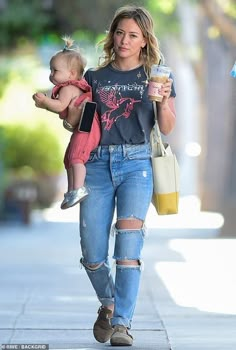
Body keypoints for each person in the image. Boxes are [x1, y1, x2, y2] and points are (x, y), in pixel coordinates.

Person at [67, 5, 176, 347]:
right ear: (112, 36)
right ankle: (111, 303)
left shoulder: (154, 76)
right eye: (120, 33)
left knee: (128, 248)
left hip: (137, 164)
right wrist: (68, 112)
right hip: (97, 165)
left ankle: (122, 325)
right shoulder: (95, 79)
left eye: (133, 35)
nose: (125, 40)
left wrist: (161, 102)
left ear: (144, 41)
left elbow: (168, 125)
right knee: (92, 254)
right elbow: (80, 123)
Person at [32, 37, 100, 209]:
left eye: (55, 70)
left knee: (77, 157)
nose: (51, 74)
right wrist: (47, 104)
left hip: (88, 128)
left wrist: (45, 103)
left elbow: (61, 106)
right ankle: (71, 190)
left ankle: (78, 189)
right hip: (82, 127)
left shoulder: (69, 88)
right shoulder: (68, 87)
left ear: (71, 74)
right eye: (50, 69)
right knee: (68, 158)